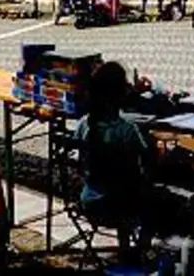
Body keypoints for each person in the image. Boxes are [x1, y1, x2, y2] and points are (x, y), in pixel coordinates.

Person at [74, 61, 153, 263]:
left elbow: (80, 162)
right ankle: (141, 251)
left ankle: (125, 249)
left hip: (89, 200)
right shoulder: (127, 129)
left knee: (124, 187)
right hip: (119, 206)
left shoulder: (83, 124)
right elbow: (146, 163)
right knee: (157, 197)